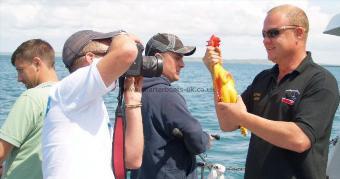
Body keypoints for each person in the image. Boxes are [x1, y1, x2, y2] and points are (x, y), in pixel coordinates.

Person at [203, 4, 340, 179]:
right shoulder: (263, 78)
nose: (266, 40)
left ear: (299, 33)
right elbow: (228, 123)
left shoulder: (321, 81)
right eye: (264, 34)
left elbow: (300, 139)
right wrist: (216, 72)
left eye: (274, 33)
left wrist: (243, 117)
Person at [42, 30, 144, 179]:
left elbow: (132, 160)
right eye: (109, 53)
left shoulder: (88, 103)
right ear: (90, 58)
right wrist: (124, 36)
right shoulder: (68, 88)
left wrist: (133, 102)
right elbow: (126, 51)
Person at [130, 33, 211, 179]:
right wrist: (206, 139)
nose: (182, 64)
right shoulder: (167, 95)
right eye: (177, 57)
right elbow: (197, 141)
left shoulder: (132, 91)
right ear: (158, 58)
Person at [0, 39, 58, 179]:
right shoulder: (69, 95)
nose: (19, 79)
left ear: (37, 63)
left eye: (20, 70)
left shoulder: (31, 98)